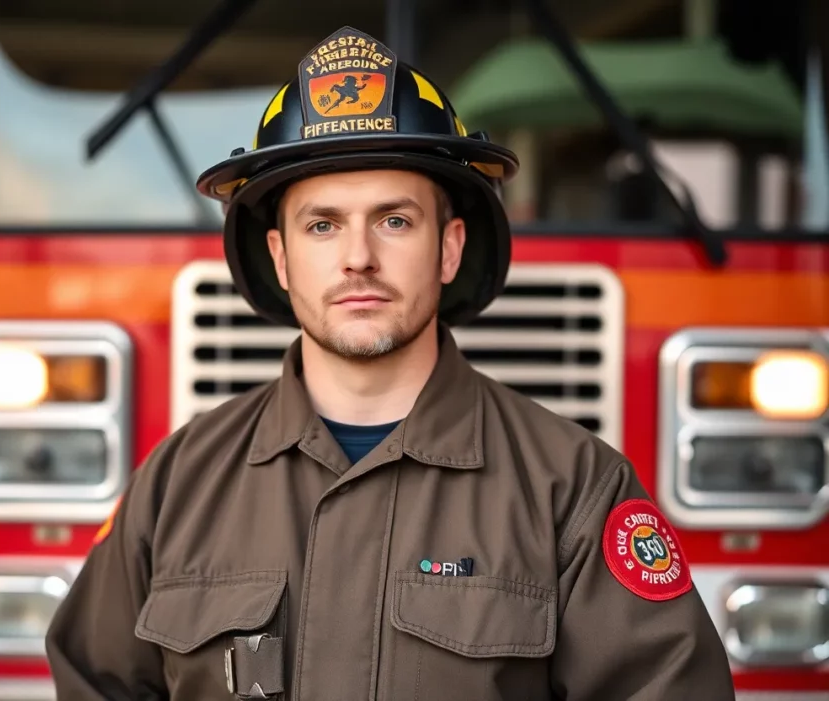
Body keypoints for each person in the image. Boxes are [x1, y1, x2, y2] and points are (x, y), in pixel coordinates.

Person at [45, 26, 736, 701]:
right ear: (281, 258)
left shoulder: (575, 490)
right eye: (322, 225)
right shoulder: (175, 486)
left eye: (394, 220)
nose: (358, 258)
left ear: (449, 248)